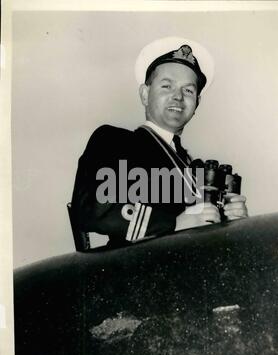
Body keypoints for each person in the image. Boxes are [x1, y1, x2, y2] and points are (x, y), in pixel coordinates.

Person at [71, 37, 248, 246]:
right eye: (166, 86)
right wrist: (173, 224)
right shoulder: (115, 141)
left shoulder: (192, 167)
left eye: (188, 91)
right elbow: (93, 207)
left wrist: (232, 223)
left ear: (197, 103)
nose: (178, 97)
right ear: (145, 94)